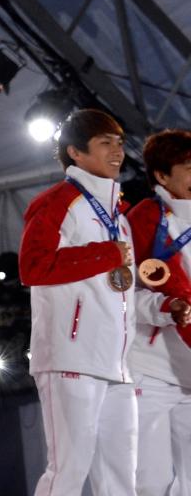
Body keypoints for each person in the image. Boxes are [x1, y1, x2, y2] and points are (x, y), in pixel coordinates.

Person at [18, 108, 159, 495]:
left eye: (119, 142)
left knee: (121, 478)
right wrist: (105, 254)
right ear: (75, 153)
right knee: (68, 469)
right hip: (70, 357)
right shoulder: (55, 203)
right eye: (104, 143)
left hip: (117, 363)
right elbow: (32, 267)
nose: (117, 151)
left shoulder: (119, 216)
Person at [125, 129, 191, 496]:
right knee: (150, 482)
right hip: (150, 371)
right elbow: (122, 296)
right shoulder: (142, 221)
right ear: (162, 176)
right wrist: (166, 308)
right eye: (189, 168)